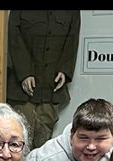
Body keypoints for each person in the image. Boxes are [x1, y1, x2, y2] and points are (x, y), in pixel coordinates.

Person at [6, 10, 81, 149]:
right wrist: (24, 72)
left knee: (43, 143)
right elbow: (14, 37)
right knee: (18, 140)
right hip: (22, 90)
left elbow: (72, 40)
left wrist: (65, 70)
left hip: (51, 88)